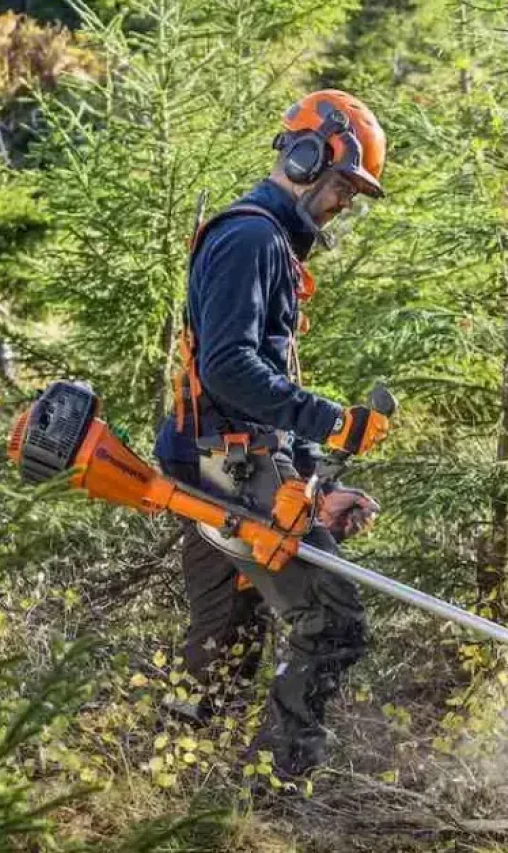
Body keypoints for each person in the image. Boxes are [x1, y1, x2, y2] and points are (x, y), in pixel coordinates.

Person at [152, 89, 390, 777]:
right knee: (333, 621)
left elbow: (265, 373)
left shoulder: (270, 245)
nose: (345, 202)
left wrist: (312, 487)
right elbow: (228, 368)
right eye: (344, 184)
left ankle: (180, 795)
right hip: (224, 465)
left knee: (224, 643)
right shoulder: (251, 236)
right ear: (309, 155)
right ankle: (273, 793)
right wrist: (332, 418)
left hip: (230, 461)